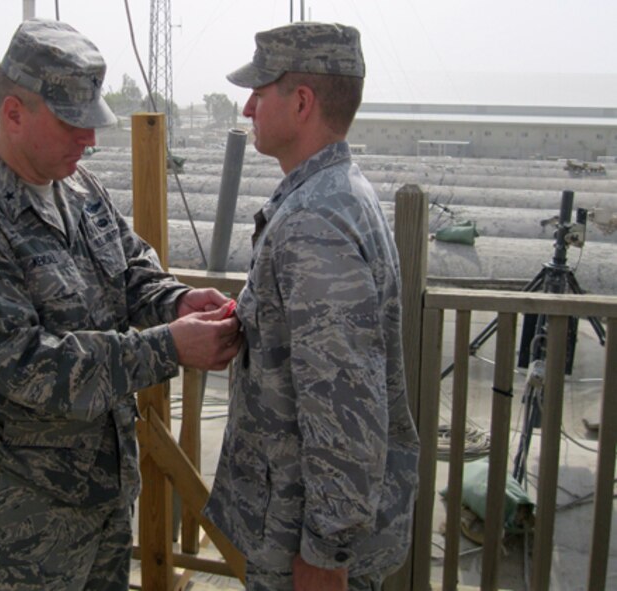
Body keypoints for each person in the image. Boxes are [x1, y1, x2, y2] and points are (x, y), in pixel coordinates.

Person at [0, 19, 241, 591]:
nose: (88, 140)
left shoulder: (80, 188)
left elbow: (132, 270)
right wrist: (168, 347)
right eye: (72, 123)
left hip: (103, 497)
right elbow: (28, 366)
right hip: (26, 525)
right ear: (13, 113)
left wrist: (178, 301)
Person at [203, 21, 420, 591]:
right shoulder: (336, 192)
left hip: (302, 543)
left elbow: (343, 404)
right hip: (300, 528)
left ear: (301, 103)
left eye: (260, 90)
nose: (247, 106)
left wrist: (325, 555)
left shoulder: (314, 221)